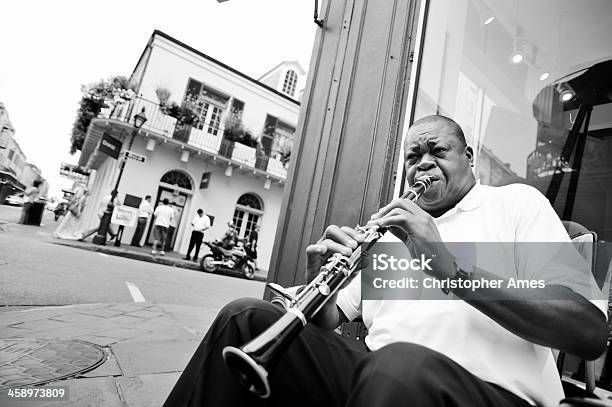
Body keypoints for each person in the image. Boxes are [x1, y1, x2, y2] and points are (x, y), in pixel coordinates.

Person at [164, 115, 607, 407]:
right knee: (243, 318)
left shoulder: (515, 204)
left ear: (469, 159)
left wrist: (452, 270)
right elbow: (333, 321)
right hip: (375, 380)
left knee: (399, 365)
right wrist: (320, 286)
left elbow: (588, 330)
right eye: (413, 157)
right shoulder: (391, 230)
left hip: (492, 394)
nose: (423, 165)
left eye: (438, 152)